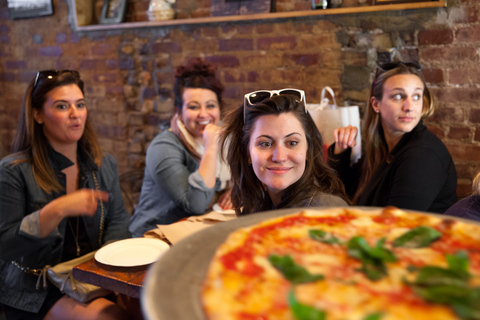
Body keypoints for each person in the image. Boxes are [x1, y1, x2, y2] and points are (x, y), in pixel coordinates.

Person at [0, 70, 131, 320]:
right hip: (36, 286)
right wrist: (56, 210)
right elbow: (5, 246)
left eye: (80, 105)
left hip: (90, 275)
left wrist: (113, 271)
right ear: (38, 115)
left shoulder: (104, 164)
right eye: (62, 106)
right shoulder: (13, 170)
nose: (75, 114)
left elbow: (118, 222)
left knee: (147, 307)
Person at [329, 61, 457, 213]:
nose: (409, 107)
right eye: (398, 96)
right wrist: (341, 150)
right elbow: (344, 192)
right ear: (376, 104)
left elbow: (395, 225)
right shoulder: (383, 148)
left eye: (416, 96)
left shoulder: (422, 155)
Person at [129, 58, 232, 237]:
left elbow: (250, 172)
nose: (203, 114)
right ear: (180, 111)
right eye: (193, 107)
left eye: (210, 106)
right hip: (152, 239)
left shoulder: (226, 137)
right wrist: (210, 149)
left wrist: (235, 189)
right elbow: (196, 204)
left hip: (196, 233)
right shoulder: (163, 147)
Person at [220, 89, 349, 216]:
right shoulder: (259, 204)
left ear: (308, 149)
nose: (279, 157)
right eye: (265, 144)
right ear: (247, 153)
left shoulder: (326, 212)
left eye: (292, 143)